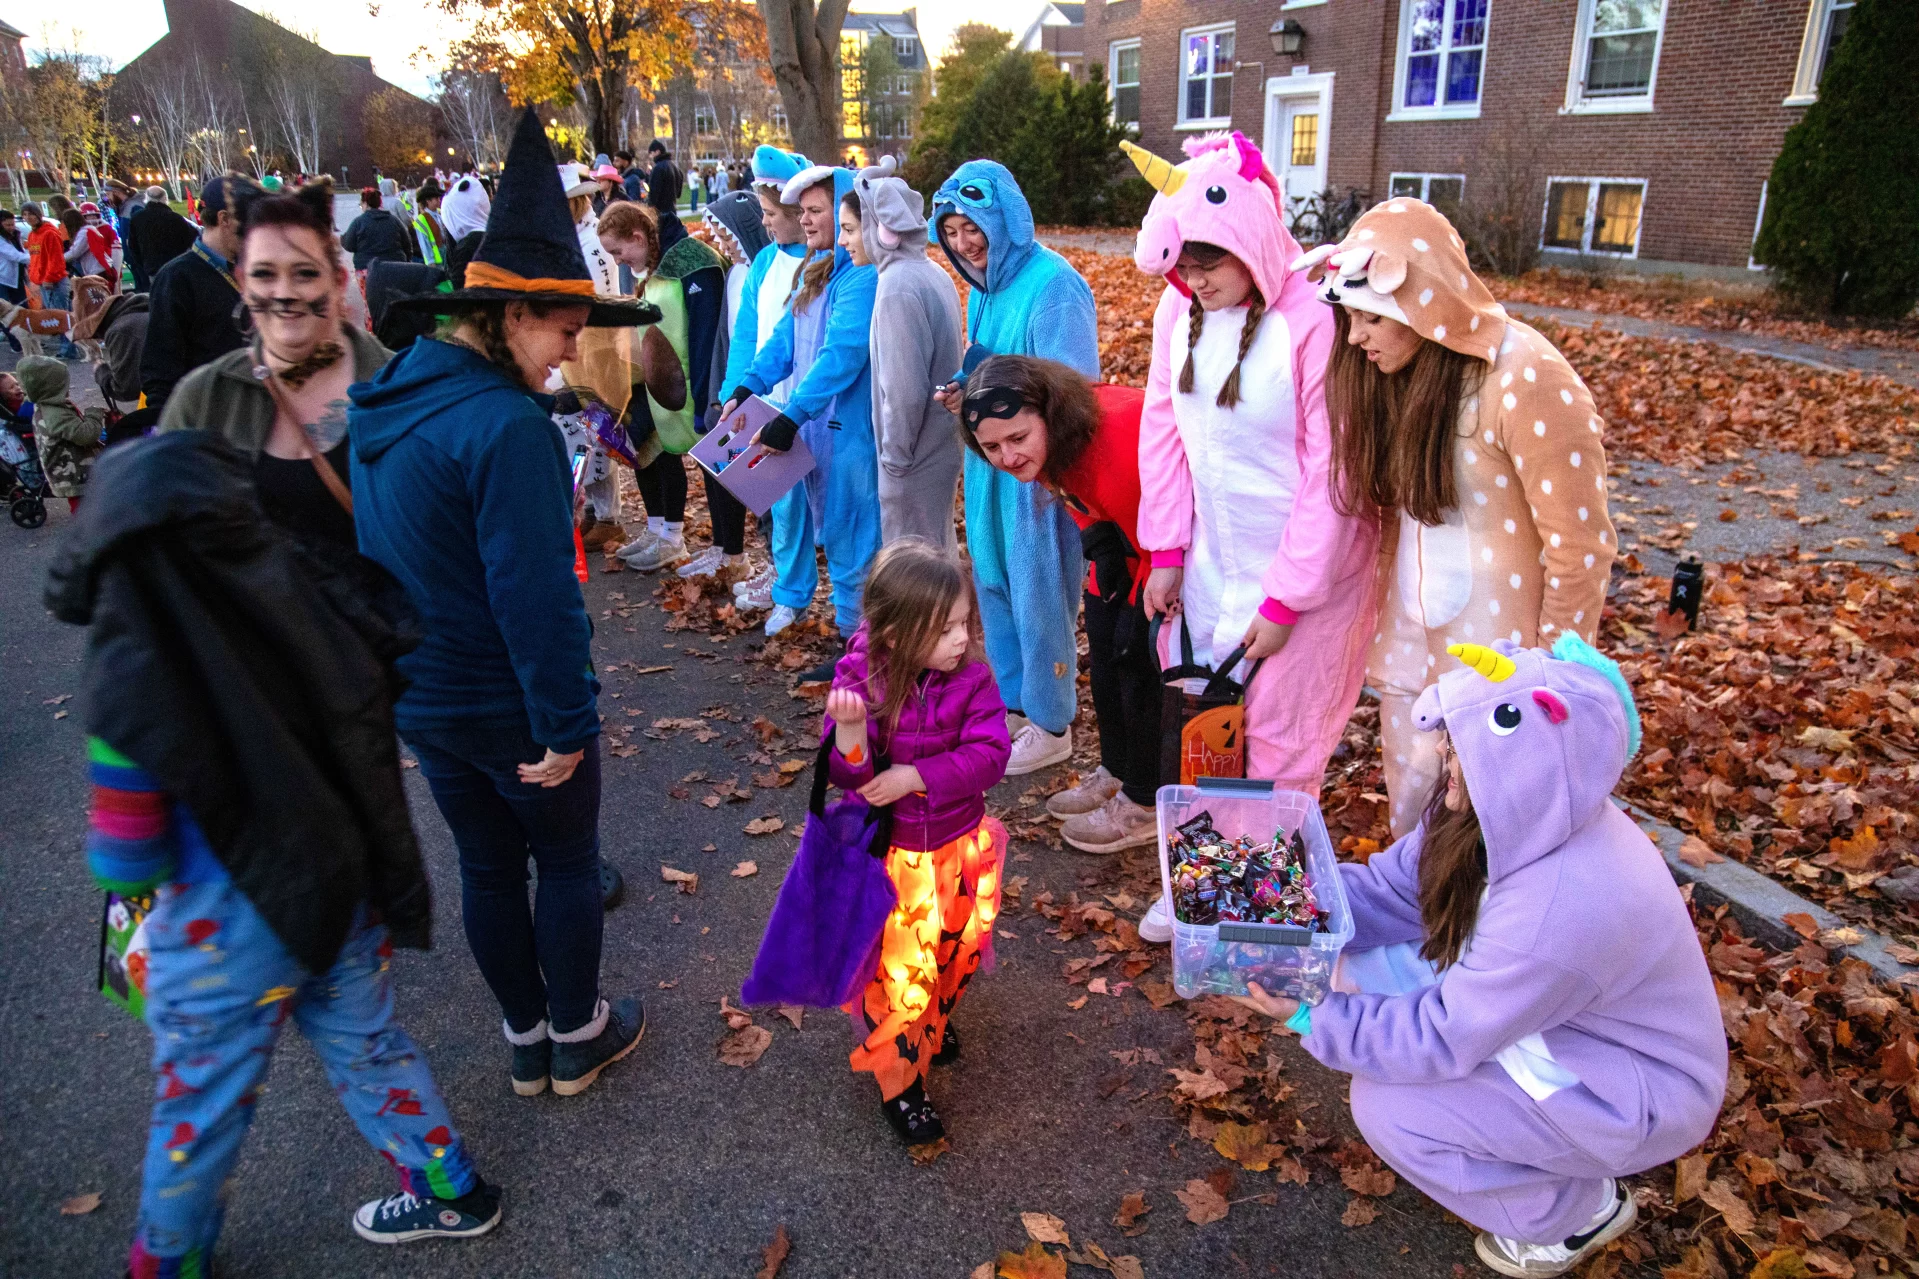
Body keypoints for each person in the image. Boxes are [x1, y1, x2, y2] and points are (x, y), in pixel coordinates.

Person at [47, 427, 506, 1276]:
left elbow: (128, 859)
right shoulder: (310, 611)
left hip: (227, 932)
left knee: (201, 1104)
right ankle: (449, 1184)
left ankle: (169, 1258)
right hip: (343, 893)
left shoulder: (132, 683)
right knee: (369, 1044)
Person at [1231, 637, 1725, 1278]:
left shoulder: (1557, 914)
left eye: (1461, 744)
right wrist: (1274, 892)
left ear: (1526, 759)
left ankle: (1572, 1212)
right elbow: (1391, 892)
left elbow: (1440, 1036)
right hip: (1570, 1022)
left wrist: (1308, 1014)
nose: (1442, 752)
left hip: (1631, 1087)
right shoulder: (1509, 811)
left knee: (1393, 1112)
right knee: (1378, 989)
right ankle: (1530, 1152)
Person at [350, 107, 658, 1097]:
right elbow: (535, 597)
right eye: (565, 331)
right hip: (510, 701)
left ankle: (526, 1040)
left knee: (486, 869)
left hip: (426, 699)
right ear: (512, 314)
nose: (568, 355)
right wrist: (564, 720)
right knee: (564, 864)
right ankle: (578, 1033)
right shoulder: (506, 428)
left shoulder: (387, 399)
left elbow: (373, 556)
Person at [1123, 132, 1380, 943]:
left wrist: (1286, 595)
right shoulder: (1179, 309)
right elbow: (1162, 431)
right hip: (1206, 568)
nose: (1193, 283)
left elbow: (1332, 474)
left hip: (1303, 579)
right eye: (1183, 268)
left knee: (1276, 747)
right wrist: (1163, 550)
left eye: (1209, 265)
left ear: (1252, 241)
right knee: (1203, 734)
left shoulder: (1312, 321)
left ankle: (1250, 911)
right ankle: (1202, 885)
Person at [1294, 196, 1617, 836]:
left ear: (1422, 307)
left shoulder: (1524, 374)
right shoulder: (1395, 377)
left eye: (1368, 318)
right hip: (1416, 654)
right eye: (1349, 319)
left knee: (1496, 827)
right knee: (1413, 813)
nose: (1354, 338)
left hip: (1506, 665)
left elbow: (1580, 544)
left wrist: (1549, 676)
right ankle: (1421, 921)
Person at [821, 538, 1011, 1144]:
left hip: (959, 849)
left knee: (956, 951)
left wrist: (920, 776)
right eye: (946, 629)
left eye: (964, 623)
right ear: (898, 636)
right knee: (902, 977)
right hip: (897, 863)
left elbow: (990, 754)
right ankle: (901, 1084)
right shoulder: (861, 679)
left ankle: (937, 1016)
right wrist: (851, 733)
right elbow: (851, 776)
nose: (961, 639)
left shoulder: (973, 679)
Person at [930, 160, 1098, 776]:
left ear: (1006, 219)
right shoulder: (982, 291)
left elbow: (1074, 391)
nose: (965, 241)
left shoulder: (1056, 285)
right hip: (988, 467)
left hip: (1039, 479)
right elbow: (992, 374)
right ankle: (1014, 707)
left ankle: (1052, 723)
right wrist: (967, 387)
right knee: (996, 587)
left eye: (974, 225)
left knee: (1039, 595)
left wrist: (986, 369)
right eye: (951, 230)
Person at [959, 355, 1161, 854]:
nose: (1006, 457)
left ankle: (1146, 800)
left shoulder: (1114, 433)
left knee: (1139, 665)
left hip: (1168, 550)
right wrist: (1097, 540)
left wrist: (1143, 601)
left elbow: (1166, 528)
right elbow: (1076, 493)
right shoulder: (1048, 447)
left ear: (1049, 415)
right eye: (991, 447)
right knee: (1107, 662)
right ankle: (1116, 769)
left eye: (1017, 439)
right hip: (1126, 539)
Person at [160, 180, 390, 552]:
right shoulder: (204, 397)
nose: (283, 292)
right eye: (264, 274)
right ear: (242, 284)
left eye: (305, 273)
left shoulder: (401, 385)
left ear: (338, 281)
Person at [718, 162, 880, 651]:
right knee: (815, 527)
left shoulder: (861, 276)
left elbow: (842, 355)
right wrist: (748, 385)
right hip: (812, 423)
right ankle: (845, 635)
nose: (805, 220)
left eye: (816, 211)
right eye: (802, 211)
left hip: (848, 430)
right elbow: (785, 337)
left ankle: (857, 649)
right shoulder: (819, 267)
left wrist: (793, 415)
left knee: (854, 541)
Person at [596, 199, 731, 572]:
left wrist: (709, 398)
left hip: (703, 390)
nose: (618, 260)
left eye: (619, 251)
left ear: (638, 236)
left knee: (714, 465)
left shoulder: (693, 263)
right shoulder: (656, 266)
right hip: (670, 390)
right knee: (665, 454)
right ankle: (698, 542)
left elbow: (706, 336)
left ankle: (726, 550)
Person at [711, 145, 811, 608]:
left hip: (811, 401)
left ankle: (828, 594)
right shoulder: (766, 263)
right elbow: (747, 336)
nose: (766, 222)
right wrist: (735, 394)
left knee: (826, 507)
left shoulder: (822, 260)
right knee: (781, 504)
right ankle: (787, 586)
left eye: (772, 213)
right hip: (768, 400)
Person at [853, 156, 962, 550]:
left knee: (914, 569)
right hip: (937, 449)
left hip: (913, 460)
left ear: (882, 230)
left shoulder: (898, 286)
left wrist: (895, 460)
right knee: (935, 551)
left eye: (856, 227)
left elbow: (904, 391)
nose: (849, 240)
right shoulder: (931, 272)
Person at [142, 175, 263, 412]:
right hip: (209, 419)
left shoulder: (254, 268)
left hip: (255, 412)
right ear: (224, 219)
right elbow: (159, 368)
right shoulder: (177, 278)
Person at [18, 355, 102, 511]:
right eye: (63, 385)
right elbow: (86, 436)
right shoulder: (54, 414)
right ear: (50, 388)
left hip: (71, 471)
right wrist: (94, 415)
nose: (68, 388)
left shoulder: (44, 405)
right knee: (85, 510)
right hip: (73, 475)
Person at [21, 202, 80, 358]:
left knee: (61, 317)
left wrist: (49, 278)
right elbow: (35, 258)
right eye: (25, 215)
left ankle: (68, 349)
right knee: (57, 315)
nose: (28, 218)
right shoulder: (33, 235)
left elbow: (55, 260)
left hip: (54, 281)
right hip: (41, 281)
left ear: (38, 214)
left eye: (30, 214)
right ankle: (68, 346)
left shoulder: (50, 233)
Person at [125, 185, 197, 292]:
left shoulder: (136, 218)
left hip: (151, 268)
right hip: (175, 267)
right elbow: (190, 241)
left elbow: (133, 246)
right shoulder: (176, 218)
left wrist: (144, 264)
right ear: (165, 198)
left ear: (147, 198)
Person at [411, 179, 450, 266]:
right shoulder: (422, 219)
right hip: (436, 259)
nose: (439, 200)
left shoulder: (440, 213)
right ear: (428, 201)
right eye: (436, 198)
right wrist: (430, 261)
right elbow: (424, 243)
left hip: (446, 254)